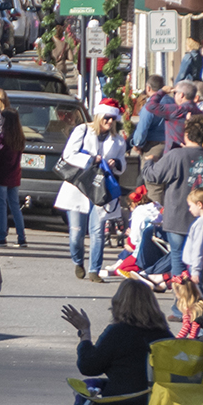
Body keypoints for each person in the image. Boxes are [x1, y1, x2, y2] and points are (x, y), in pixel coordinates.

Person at [61, 103, 129, 282]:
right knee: (76, 233)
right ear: (98, 116)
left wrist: (116, 164)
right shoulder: (82, 130)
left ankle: (94, 270)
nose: (109, 121)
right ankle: (78, 261)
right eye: (106, 117)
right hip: (80, 186)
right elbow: (68, 154)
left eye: (113, 118)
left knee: (98, 231)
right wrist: (91, 159)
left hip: (101, 189)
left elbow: (123, 163)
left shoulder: (118, 139)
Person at [142, 116, 203, 270]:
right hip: (200, 216)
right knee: (198, 260)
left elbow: (152, 176)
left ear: (187, 135)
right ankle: (197, 292)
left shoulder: (176, 155)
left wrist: (149, 161)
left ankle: (181, 293)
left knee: (177, 258)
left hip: (177, 217)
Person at [0, 88, 27, 247]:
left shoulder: (3, 138)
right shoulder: (19, 137)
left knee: (1, 206)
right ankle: (21, 236)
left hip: (2, 174)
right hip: (15, 174)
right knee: (15, 206)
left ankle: (2, 234)